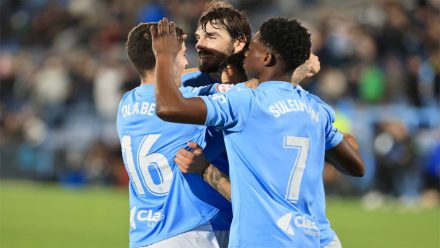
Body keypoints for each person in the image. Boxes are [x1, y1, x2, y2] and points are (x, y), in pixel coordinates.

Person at [151, 17, 364, 247]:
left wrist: (163, 55)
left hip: (263, 239)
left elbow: (169, 107)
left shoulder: (246, 102)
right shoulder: (314, 108)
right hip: (312, 238)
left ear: (267, 58)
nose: (245, 55)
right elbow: (356, 166)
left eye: (251, 50)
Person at [117, 22, 232, 248]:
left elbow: (184, 78)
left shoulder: (126, 104)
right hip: (184, 233)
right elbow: (246, 92)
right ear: (165, 59)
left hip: (144, 235)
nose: (187, 62)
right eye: (182, 54)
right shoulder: (186, 106)